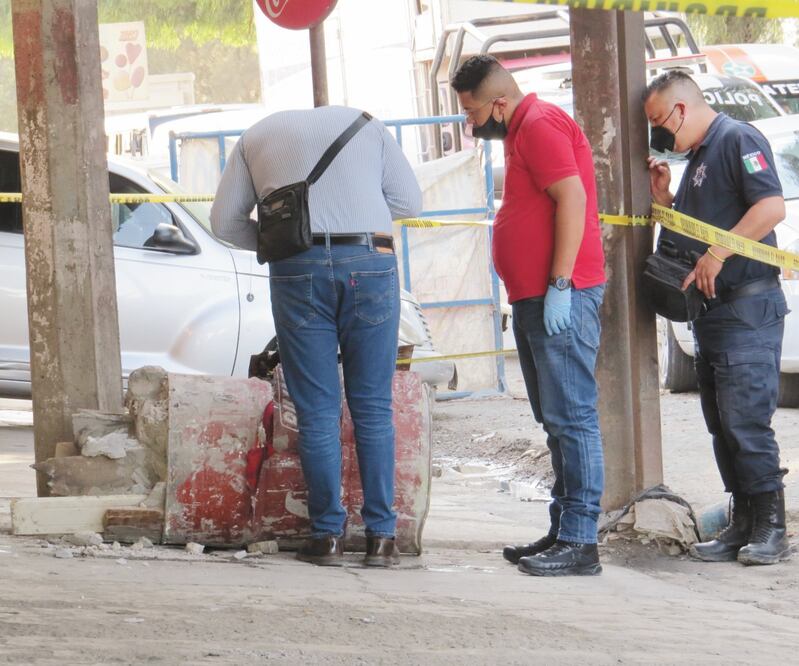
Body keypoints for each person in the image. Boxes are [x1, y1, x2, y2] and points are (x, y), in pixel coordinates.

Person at [210, 106, 422, 567]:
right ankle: (381, 538)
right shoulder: (370, 125)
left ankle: (327, 535)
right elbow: (410, 205)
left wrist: (288, 238)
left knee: (317, 408)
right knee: (372, 403)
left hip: (296, 268)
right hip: (370, 263)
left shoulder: (254, 136)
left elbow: (224, 223)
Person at [451, 56, 607, 576]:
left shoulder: (537, 126)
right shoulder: (521, 131)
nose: (471, 126)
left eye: (472, 114)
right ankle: (563, 529)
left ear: (498, 102)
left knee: (573, 417)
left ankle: (582, 541)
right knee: (555, 420)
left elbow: (573, 199)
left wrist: (561, 282)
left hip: (560, 295)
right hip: (534, 297)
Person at [644, 70, 790, 566]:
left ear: (681, 110)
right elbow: (695, 232)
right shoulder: (700, 157)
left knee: (746, 422)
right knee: (721, 423)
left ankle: (772, 527)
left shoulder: (737, 138)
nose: (659, 136)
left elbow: (770, 207)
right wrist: (666, 200)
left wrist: (719, 253)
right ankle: (742, 522)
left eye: (659, 122)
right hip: (713, 313)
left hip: (747, 308)